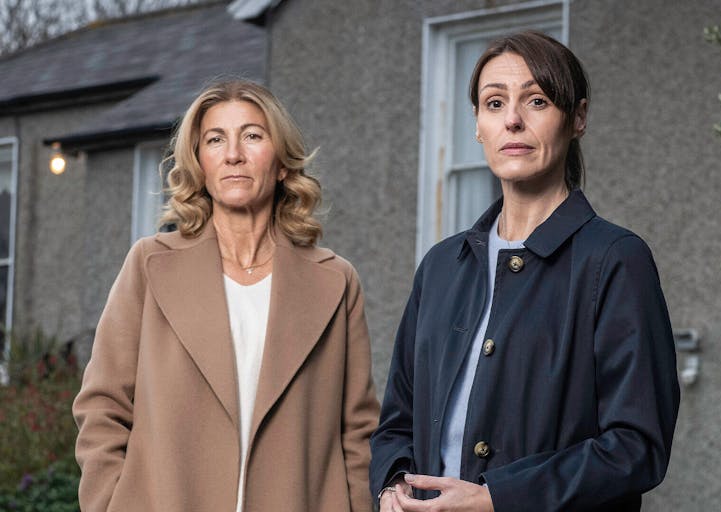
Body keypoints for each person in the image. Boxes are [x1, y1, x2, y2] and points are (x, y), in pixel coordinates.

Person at [370, 31, 680, 512]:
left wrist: (499, 498)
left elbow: (638, 446)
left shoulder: (616, 259)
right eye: (494, 103)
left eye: (536, 100)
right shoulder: (440, 267)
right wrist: (391, 488)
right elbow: (397, 422)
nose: (512, 120)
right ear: (477, 124)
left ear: (577, 118)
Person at [73, 79, 380, 512]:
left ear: (281, 164)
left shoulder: (335, 282)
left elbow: (358, 431)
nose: (233, 154)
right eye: (216, 140)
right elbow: (103, 406)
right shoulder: (149, 265)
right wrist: (110, 502)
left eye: (252, 136)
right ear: (199, 163)